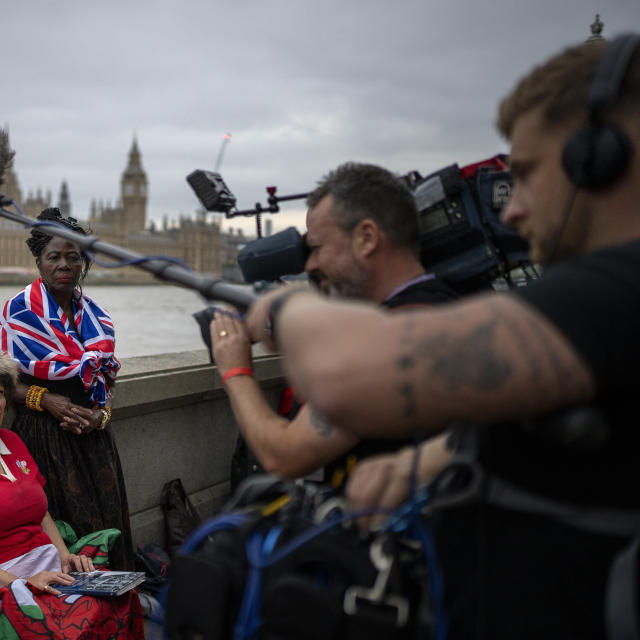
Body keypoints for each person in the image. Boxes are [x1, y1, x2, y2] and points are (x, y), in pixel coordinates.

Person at [246, 35, 640, 638]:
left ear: (601, 157)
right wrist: (428, 459)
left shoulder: (620, 289)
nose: (511, 210)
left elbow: (348, 375)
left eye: (527, 175)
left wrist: (283, 306)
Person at [210, 162, 458, 482]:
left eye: (316, 248)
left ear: (367, 238)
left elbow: (284, 455)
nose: (310, 265)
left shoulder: (388, 345)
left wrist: (235, 369)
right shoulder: (444, 309)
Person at [0, 345, 143, 638]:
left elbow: (42, 514)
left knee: (121, 599)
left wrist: (66, 558)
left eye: (0, 393)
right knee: (72, 624)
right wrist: (19, 582)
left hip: (45, 566)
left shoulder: (11, 441)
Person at [0, 207, 134, 570]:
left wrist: (100, 415)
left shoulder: (96, 316)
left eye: (73, 257)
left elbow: (102, 382)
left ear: (83, 263)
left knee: (110, 525)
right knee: (67, 537)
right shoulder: (19, 311)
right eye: (54, 257)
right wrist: (45, 399)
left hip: (94, 437)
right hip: (45, 439)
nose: (64, 264)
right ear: (39, 263)